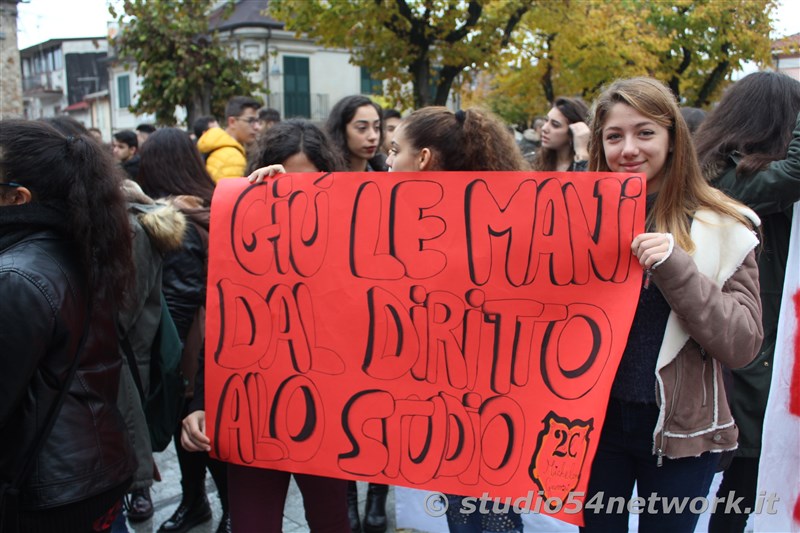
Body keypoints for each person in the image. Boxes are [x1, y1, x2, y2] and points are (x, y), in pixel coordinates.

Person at [581, 77, 763, 532]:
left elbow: (742, 342)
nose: (629, 149)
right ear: (599, 145)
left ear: (672, 138)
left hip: (681, 434)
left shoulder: (724, 224)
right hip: (592, 426)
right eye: (614, 136)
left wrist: (676, 268)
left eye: (645, 132)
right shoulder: (575, 220)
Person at [183, 119, 352, 533]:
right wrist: (200, 402)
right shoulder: (240, 235)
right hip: (254, 409)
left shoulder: (351, 235)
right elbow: (225, 325)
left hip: (326, 408)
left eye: (309, 184)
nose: (296, 194)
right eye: (285, 183)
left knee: (332, 520)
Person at [386, 105, 528, 533]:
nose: (387, 161)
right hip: (470, 401)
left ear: (424, 158)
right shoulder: (501, 212)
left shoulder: (433, 225)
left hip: (475, 402)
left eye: (395, 150)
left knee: (481, 514)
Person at [0, 119, 136, 532]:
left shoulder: (18, 275)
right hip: (89, 471)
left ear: (17, 198)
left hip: (50, 489)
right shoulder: (76, 243)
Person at [693, 71, 800, 533]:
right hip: (750, 351)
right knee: (743, 479)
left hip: (760, 346)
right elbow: (793, 172)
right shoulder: (729, 176)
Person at [136, 128, 231, 533]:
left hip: (192, 346)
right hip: (222, 335)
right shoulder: (211, 205)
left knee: (194, 430)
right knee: (203, 430)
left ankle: (212, 508)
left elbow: (178, 299)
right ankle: (203, 506)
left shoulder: (176, 220)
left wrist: (163, 359)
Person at [198, 96, 262, 181]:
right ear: (232, 122)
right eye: (250, 121)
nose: (257, 127)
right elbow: (231, 194)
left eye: (257, 121)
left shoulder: (219, 146)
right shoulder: (231, 157)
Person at [326, 95, 385, 173]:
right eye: (362, 128)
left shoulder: (386, 172)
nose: (373, 136)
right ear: (341, 130)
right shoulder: (323, 176)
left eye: (376, 127)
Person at [532, 97, 590, 171]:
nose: (544, 128)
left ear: (574, 132)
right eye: (546, 120)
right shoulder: (533, 163)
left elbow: (585, 181)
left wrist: (582, 154)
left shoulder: (593, 165)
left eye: (555, 124)